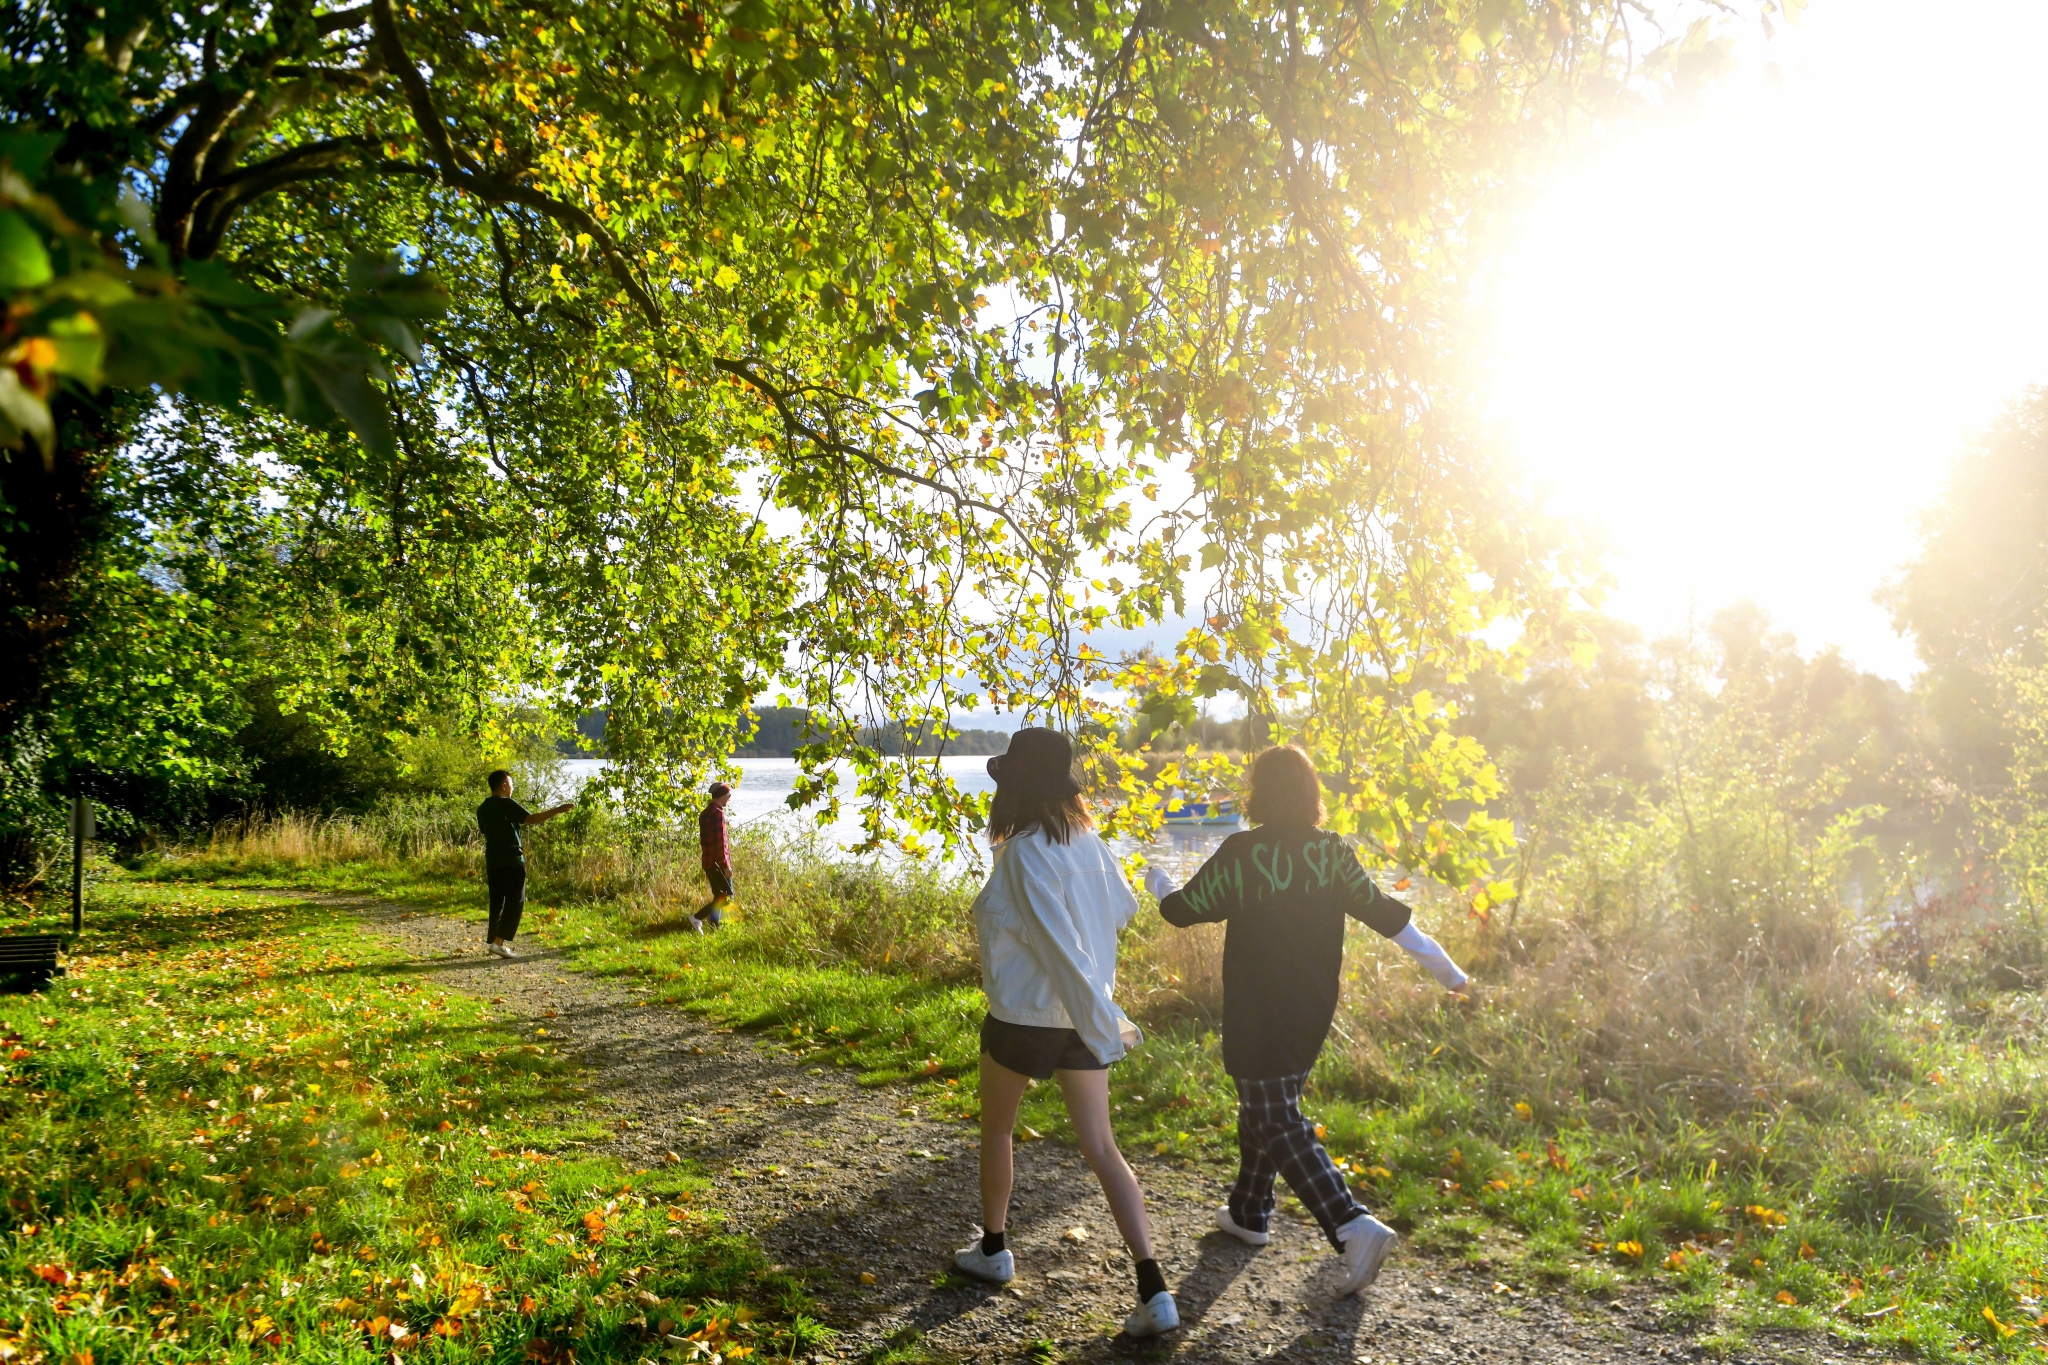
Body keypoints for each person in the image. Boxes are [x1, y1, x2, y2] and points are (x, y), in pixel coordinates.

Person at [1143, 744, 1470, 1296]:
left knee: (1274, 1116)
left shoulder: (1243, 852)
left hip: (1258, 1007)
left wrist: (1158, 883)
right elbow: (1386, 915)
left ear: (1258, 793)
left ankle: (1351, 1223)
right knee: (1268, 1105)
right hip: (1313, 1007)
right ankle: (1250, 1212)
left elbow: (1182, 912)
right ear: (1312, 794)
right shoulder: (1333, 854)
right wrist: (1450, 972)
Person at [953, 727, 1179, 1338]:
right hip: (1084, 1016)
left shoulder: (1026, 851)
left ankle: (994, 1250)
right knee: (1103, 1149)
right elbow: (1125, 907)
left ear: (1014, 788)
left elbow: (1055, 945)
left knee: (998, 1128)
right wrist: (1098, 1008)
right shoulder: (1091, 842)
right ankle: (1152, 1286)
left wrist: (1099, 1016)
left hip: (1028, 1016)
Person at [475, 769, 574, 958]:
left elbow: (486, 831)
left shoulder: (483, 808)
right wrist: (558, 810)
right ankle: (498, 943)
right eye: (511, 784)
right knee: (515, 901)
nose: (512, 787)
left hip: (493, 860)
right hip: (512, 860)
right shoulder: (506, 804)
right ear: (503, 785)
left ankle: (494, 940)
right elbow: (531, 819)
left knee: (498, 901)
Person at [694, 781, 735, 932]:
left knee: (719, 895)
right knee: (727, 896)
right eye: (728, 795)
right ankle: (697, 917)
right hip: (718, 862)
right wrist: (726, 866)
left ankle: (714, 927)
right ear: (722, 796)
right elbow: (720, 843)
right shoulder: (718, 814)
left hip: (708, 861)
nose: (729, 799)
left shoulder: (705, 813)